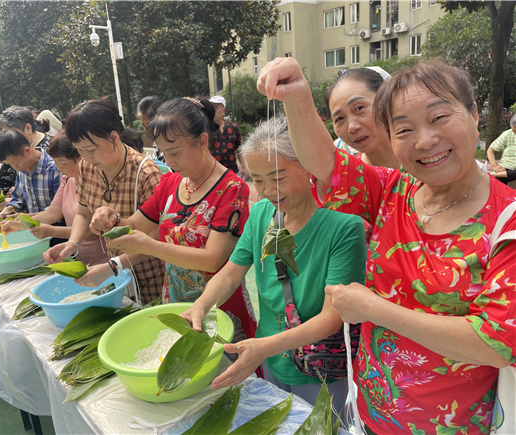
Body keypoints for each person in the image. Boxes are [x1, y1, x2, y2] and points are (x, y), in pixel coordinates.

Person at [258, 57, 515, 434]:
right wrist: (296, 97)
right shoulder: (394, 189)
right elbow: (327, 163)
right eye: (404, 129)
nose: (425, 140)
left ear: (475, 114)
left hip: (451, 424)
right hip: (370, 411)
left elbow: (498, 342)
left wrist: (374, 309)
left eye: (439, 118)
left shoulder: (506, 221)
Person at [180, 117, 366, 408]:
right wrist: (201, 306)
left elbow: (334, 316)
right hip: (270, 356)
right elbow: (230, 274)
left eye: (278, 178)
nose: (267, 191)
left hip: (321, 366)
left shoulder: (343, 227)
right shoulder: (262, 214)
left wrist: (264, 347)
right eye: (257, 180)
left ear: (307, 165)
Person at [89, 97, 258, 341]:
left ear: (202, 141)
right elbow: (133, 225)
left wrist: (150, 246)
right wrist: (109, 218)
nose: (168, 162)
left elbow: (212, 260)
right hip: (176, 302)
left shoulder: (232, 189)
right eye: (163, 153)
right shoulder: (170, 182)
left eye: (175, 152)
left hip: (218, 308)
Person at [43, 98, 165, 305]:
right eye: (79, 150)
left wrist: (113, 266)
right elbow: (83, 212)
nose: (86, 157)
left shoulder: (145, 174)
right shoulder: (86, 167)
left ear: (114, 138)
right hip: (113, 274)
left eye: (91, 149)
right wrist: (73, 243)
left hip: (149, 275)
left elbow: (156, 238)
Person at [0, 132, 108, 265]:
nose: (58, 167)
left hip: (104, 258)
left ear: (81, 158)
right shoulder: (67, 180)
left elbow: (93, 231)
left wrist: (52, 231)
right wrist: (19, 225)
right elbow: (51, 213)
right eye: (55, 161)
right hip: (79, 256)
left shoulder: (99, 183)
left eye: (61, 162)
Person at [0, 130, 61, 219]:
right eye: (10, 164)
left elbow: (59, 209)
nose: (14, 167)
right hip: (33, 228)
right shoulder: (22, 169)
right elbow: (19, 198)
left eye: (15, 163)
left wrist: (29, 217)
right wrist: (8, 209)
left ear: (27, 150)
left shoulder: (56, 169)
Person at [208, 95, 243, 175]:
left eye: (216, 107)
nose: (212, 110)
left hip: (232, 172)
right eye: (211, 108)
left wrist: (243, 167)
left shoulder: (233, 128)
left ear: (223, 111)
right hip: (212, 174)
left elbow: (239, 149)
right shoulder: (206, 129)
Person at [487, 114, 516, 185]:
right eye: (513, 131)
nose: (514, 133)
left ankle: (494, 174)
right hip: (506, 166)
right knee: (497, 184)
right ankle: (498, 175)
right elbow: (490, 150)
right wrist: (494, 165)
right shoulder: (507, 134)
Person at [137, 95, 165, 161]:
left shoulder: (173, 147)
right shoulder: (156, 145)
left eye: (148, 125)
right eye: (143, 126)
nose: (146, 130)